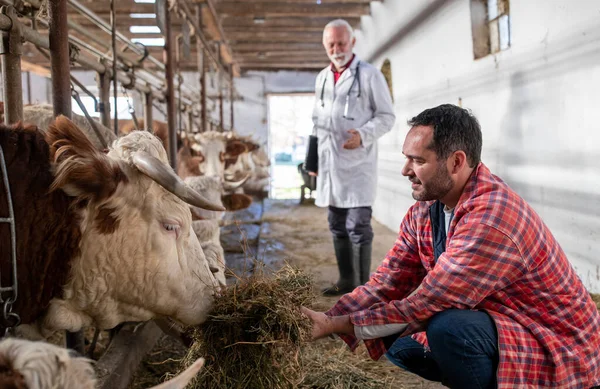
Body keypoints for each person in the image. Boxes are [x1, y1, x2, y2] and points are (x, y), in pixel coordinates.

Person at [302, 104, 600, 388]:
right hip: (501, 319)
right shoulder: (426, 210)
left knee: (447, 329)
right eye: (407, 158)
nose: (405, 170)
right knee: (397, 342)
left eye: (418, 161)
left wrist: (335, 326)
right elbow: (389, 281)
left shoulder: (491, 217)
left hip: (555, 341)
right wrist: (326, 319)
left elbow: (428, 302)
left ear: (456, 162)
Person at [311, 19, 395, 296]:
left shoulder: (370, 75)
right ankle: (346, 280)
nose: (337, 49)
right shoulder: (322, 77)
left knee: (357, 225)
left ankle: (363, 287)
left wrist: (363, 134)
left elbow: (386, 116)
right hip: (330, 163)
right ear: (325, 46)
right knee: (336, 224)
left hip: (358, 164)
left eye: (341, 43)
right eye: (331, 44)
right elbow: (316, 121)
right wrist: (312, 161)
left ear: (352, 43)